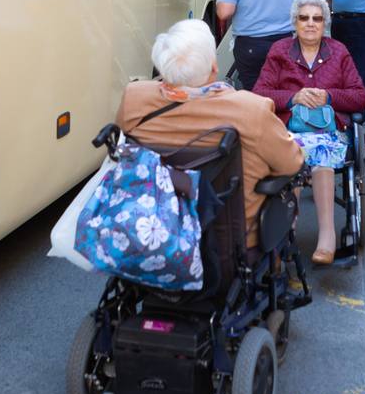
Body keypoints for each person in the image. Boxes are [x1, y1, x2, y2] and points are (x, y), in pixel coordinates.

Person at [114, 20, 304, 253]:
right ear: (214, 67)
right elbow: (292, 162)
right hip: (229, 242)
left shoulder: (134, 98)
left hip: (150, 229)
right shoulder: (251, 109)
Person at [252, 0, 365, 265]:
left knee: (323, 160)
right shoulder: (280, 51)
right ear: (295, 22)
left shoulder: (338, 51)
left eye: (317, 18)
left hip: (329, 132)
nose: (310, 23)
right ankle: (287, 233)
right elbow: (259, 94)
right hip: (289, 131)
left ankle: (327, 237)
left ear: (324, 23)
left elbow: (361, 97)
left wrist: (328, 96)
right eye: (304, 18)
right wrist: (293, 98)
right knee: (292, 157)